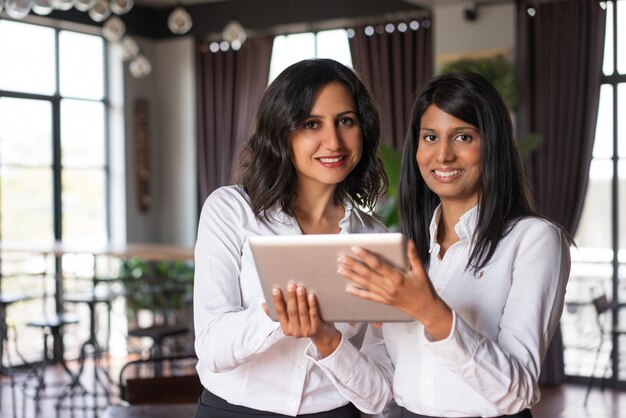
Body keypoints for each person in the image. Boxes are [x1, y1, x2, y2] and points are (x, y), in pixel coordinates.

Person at [278, 71, 572, 418]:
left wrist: (430, 311)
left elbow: (516, 392)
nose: (443, 155)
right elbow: (376, 394)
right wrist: (325, 338)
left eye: (463, 137)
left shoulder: (533, 240)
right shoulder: (400, 253)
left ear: (492, 145)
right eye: (430, 137)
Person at [193, 58, 388, 418]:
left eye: (346, 121)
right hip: (233, 411)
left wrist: (328, 340)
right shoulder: (230, 210)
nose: (333, 141)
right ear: (282, 131)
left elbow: (378, 397)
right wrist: (277, 313)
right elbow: (211, 348)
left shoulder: (376, 239)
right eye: (311, 123)